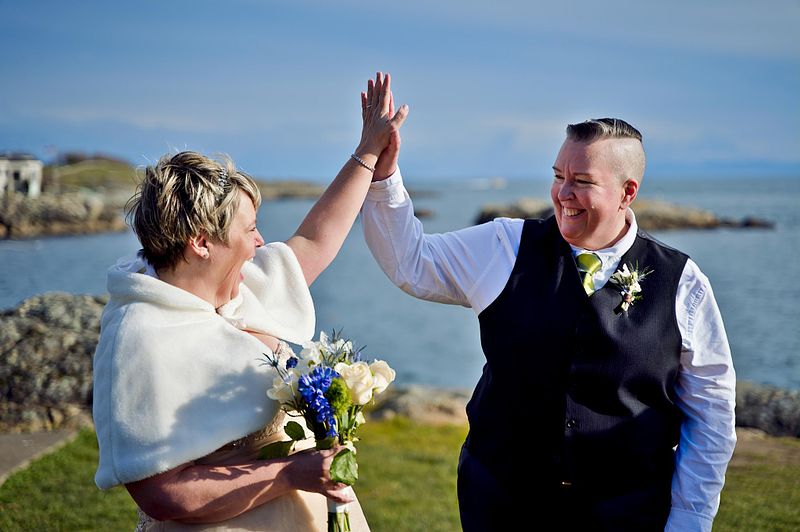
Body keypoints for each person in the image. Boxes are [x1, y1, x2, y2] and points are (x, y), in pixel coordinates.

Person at [361, 118, 736, 531]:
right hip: (501, 506)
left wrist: (690, 518)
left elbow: (711, 412)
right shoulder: (504, 246)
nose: (562, 193)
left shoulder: (682, 282)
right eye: (558, 176)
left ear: (627, 192)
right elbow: (410, 262)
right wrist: (384, 175)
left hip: (627, 512)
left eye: (582, 181)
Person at [92, 72, 408, 531]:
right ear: (201, 242)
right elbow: (161, 493)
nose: (260, 242)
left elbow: (314, 240)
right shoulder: (140, 335)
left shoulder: (235, 291)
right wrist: (290, 473)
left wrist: (369, 151)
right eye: (250, 229)